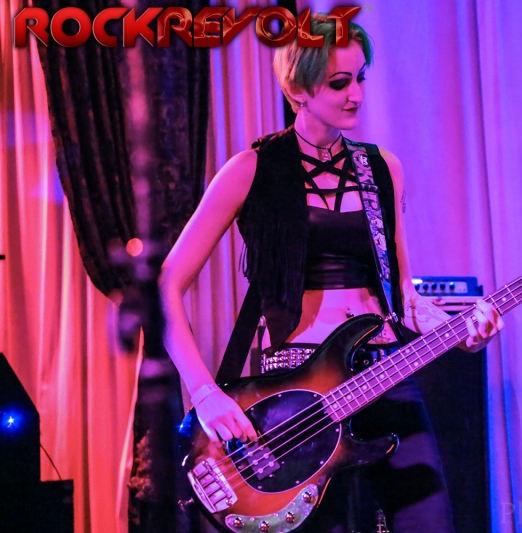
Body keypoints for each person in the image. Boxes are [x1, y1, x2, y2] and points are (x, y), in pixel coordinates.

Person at [159, 14, 503, 533]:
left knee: (430, 522)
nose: (356, 95)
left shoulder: (382, 167)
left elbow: (404, 296)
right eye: (340, 83)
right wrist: (204, 392)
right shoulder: (251, 169)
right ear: (297, 88)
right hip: (298, 388)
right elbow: (164, 285)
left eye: (361, 77)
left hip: (387, 370)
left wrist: (461, 331)